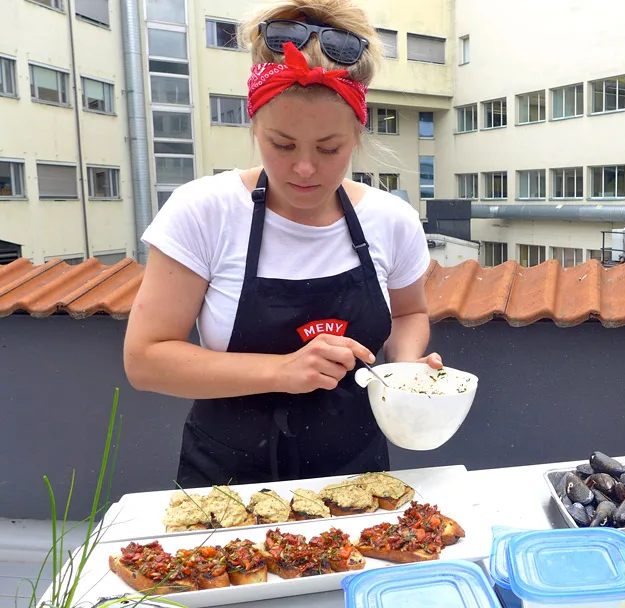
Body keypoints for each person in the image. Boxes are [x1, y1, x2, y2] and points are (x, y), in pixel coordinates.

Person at [123, 0, 441, 488]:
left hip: (359, 478)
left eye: (329, 148)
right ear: (253, 127)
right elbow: (145, 360)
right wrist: (281, 371)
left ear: (357, 135)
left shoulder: (390, 219)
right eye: (283, 145)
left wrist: (408, 366)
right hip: (227, 489)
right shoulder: (204, 211)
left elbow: (408, 314)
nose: (306, 168)